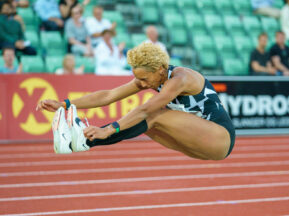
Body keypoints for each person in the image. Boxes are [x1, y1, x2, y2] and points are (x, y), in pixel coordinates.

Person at [36, 43, 235, 160]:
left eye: (144, 79)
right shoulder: (153, 77)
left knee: (154, 114)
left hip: (220, 138)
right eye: (138, 78)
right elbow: (108, 95)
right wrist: (65, 104)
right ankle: (82, 142)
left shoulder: (181, 79)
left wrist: (109, 129)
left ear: (159, 69)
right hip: (199, 144)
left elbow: (148, 108)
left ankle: (86, 141)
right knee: (143, 125)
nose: (141, 83)